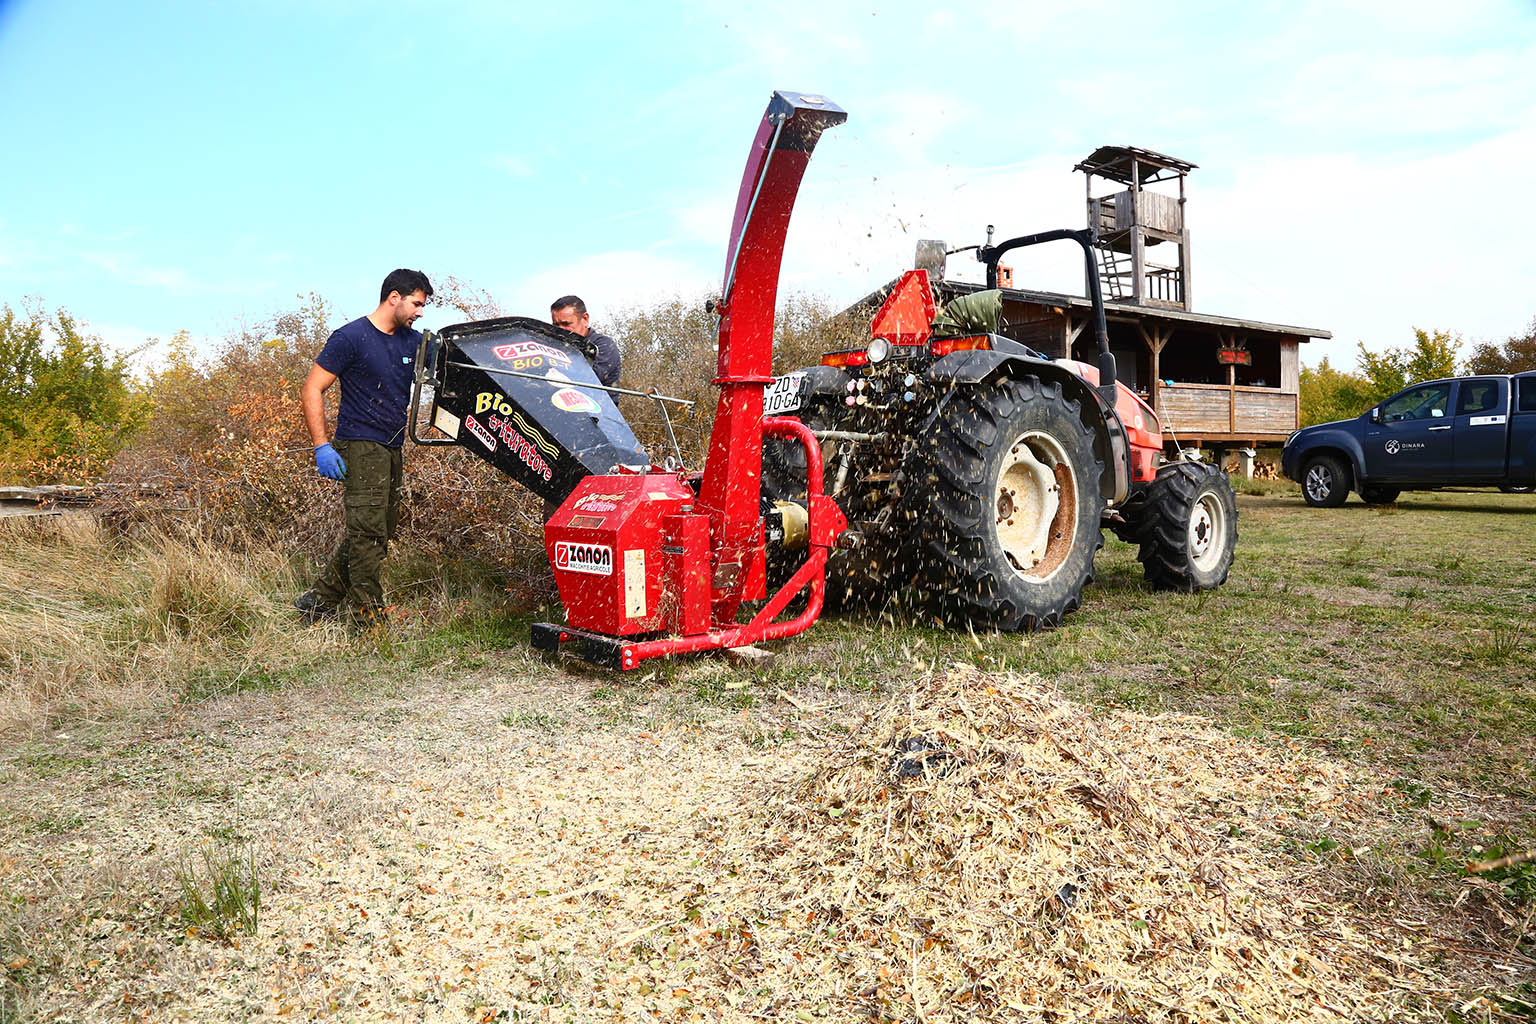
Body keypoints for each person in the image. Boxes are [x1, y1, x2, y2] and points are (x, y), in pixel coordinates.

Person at [293, 269, 433, 627]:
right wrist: (322, 446)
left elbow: (453, 364)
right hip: (360, 444)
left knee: (376, 530)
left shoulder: (413, 342)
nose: (420, 312)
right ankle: (367, 619)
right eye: (417, 304)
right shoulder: (351, 337)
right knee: (368, 534)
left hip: (393, 445)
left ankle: (318, 601)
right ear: (394, 297)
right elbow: (312, 389)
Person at [550, 295, 621, 387]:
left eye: (566, 324)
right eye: (556, 325)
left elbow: (588, 379)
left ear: (585, 319)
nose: (560, 330)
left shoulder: (604, 345)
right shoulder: (552, 344)